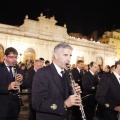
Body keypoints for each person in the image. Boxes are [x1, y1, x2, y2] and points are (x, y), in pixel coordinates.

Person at [32, 42, 81, 120]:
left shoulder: (67, 74)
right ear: (56, 55)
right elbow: (37, 103)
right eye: (65, 55)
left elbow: (63, 95)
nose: (69, 59)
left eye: (70, 55)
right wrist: (64, 104)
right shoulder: (42, 73)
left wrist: (73, 92)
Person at [0, 47, 25, 120]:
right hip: (2, 106)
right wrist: (7, 88)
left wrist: (22, 80)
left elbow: (27, 84)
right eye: (11, 57)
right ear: (5, 56)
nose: (14, 59)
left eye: (15, 57)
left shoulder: (18, 69)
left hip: (14, 107)